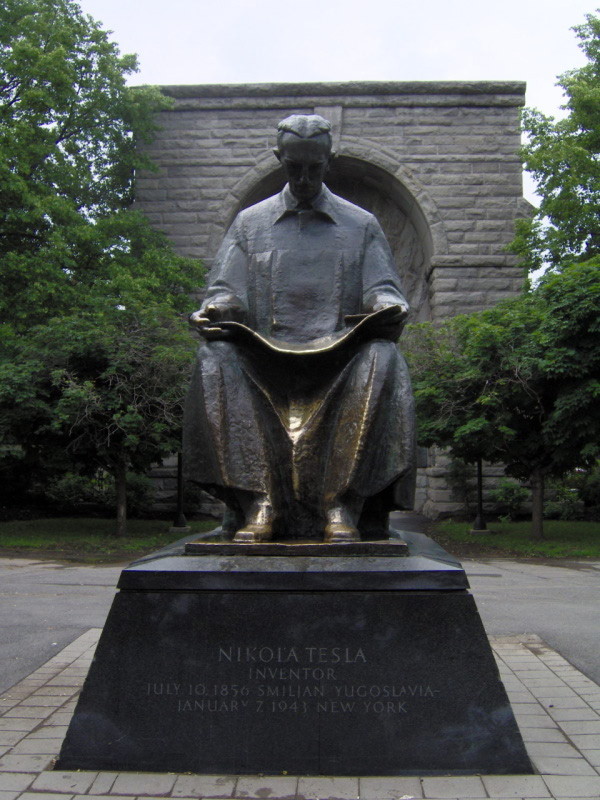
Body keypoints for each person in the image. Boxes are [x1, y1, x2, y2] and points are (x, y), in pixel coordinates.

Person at [183, 114, 415, 543]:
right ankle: (259, 502)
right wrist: (215, 310)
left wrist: (387, 306)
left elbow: (382, 288)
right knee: (215, 356)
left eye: (314, 167)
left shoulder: (361, 224)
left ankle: (340, 504)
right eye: (294, 167)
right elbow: (225, 290)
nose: (304, 177)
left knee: (383, 356)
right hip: (264, 359)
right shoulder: (249, 223)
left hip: (339, 361)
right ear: (280, 160)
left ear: (329, 162)